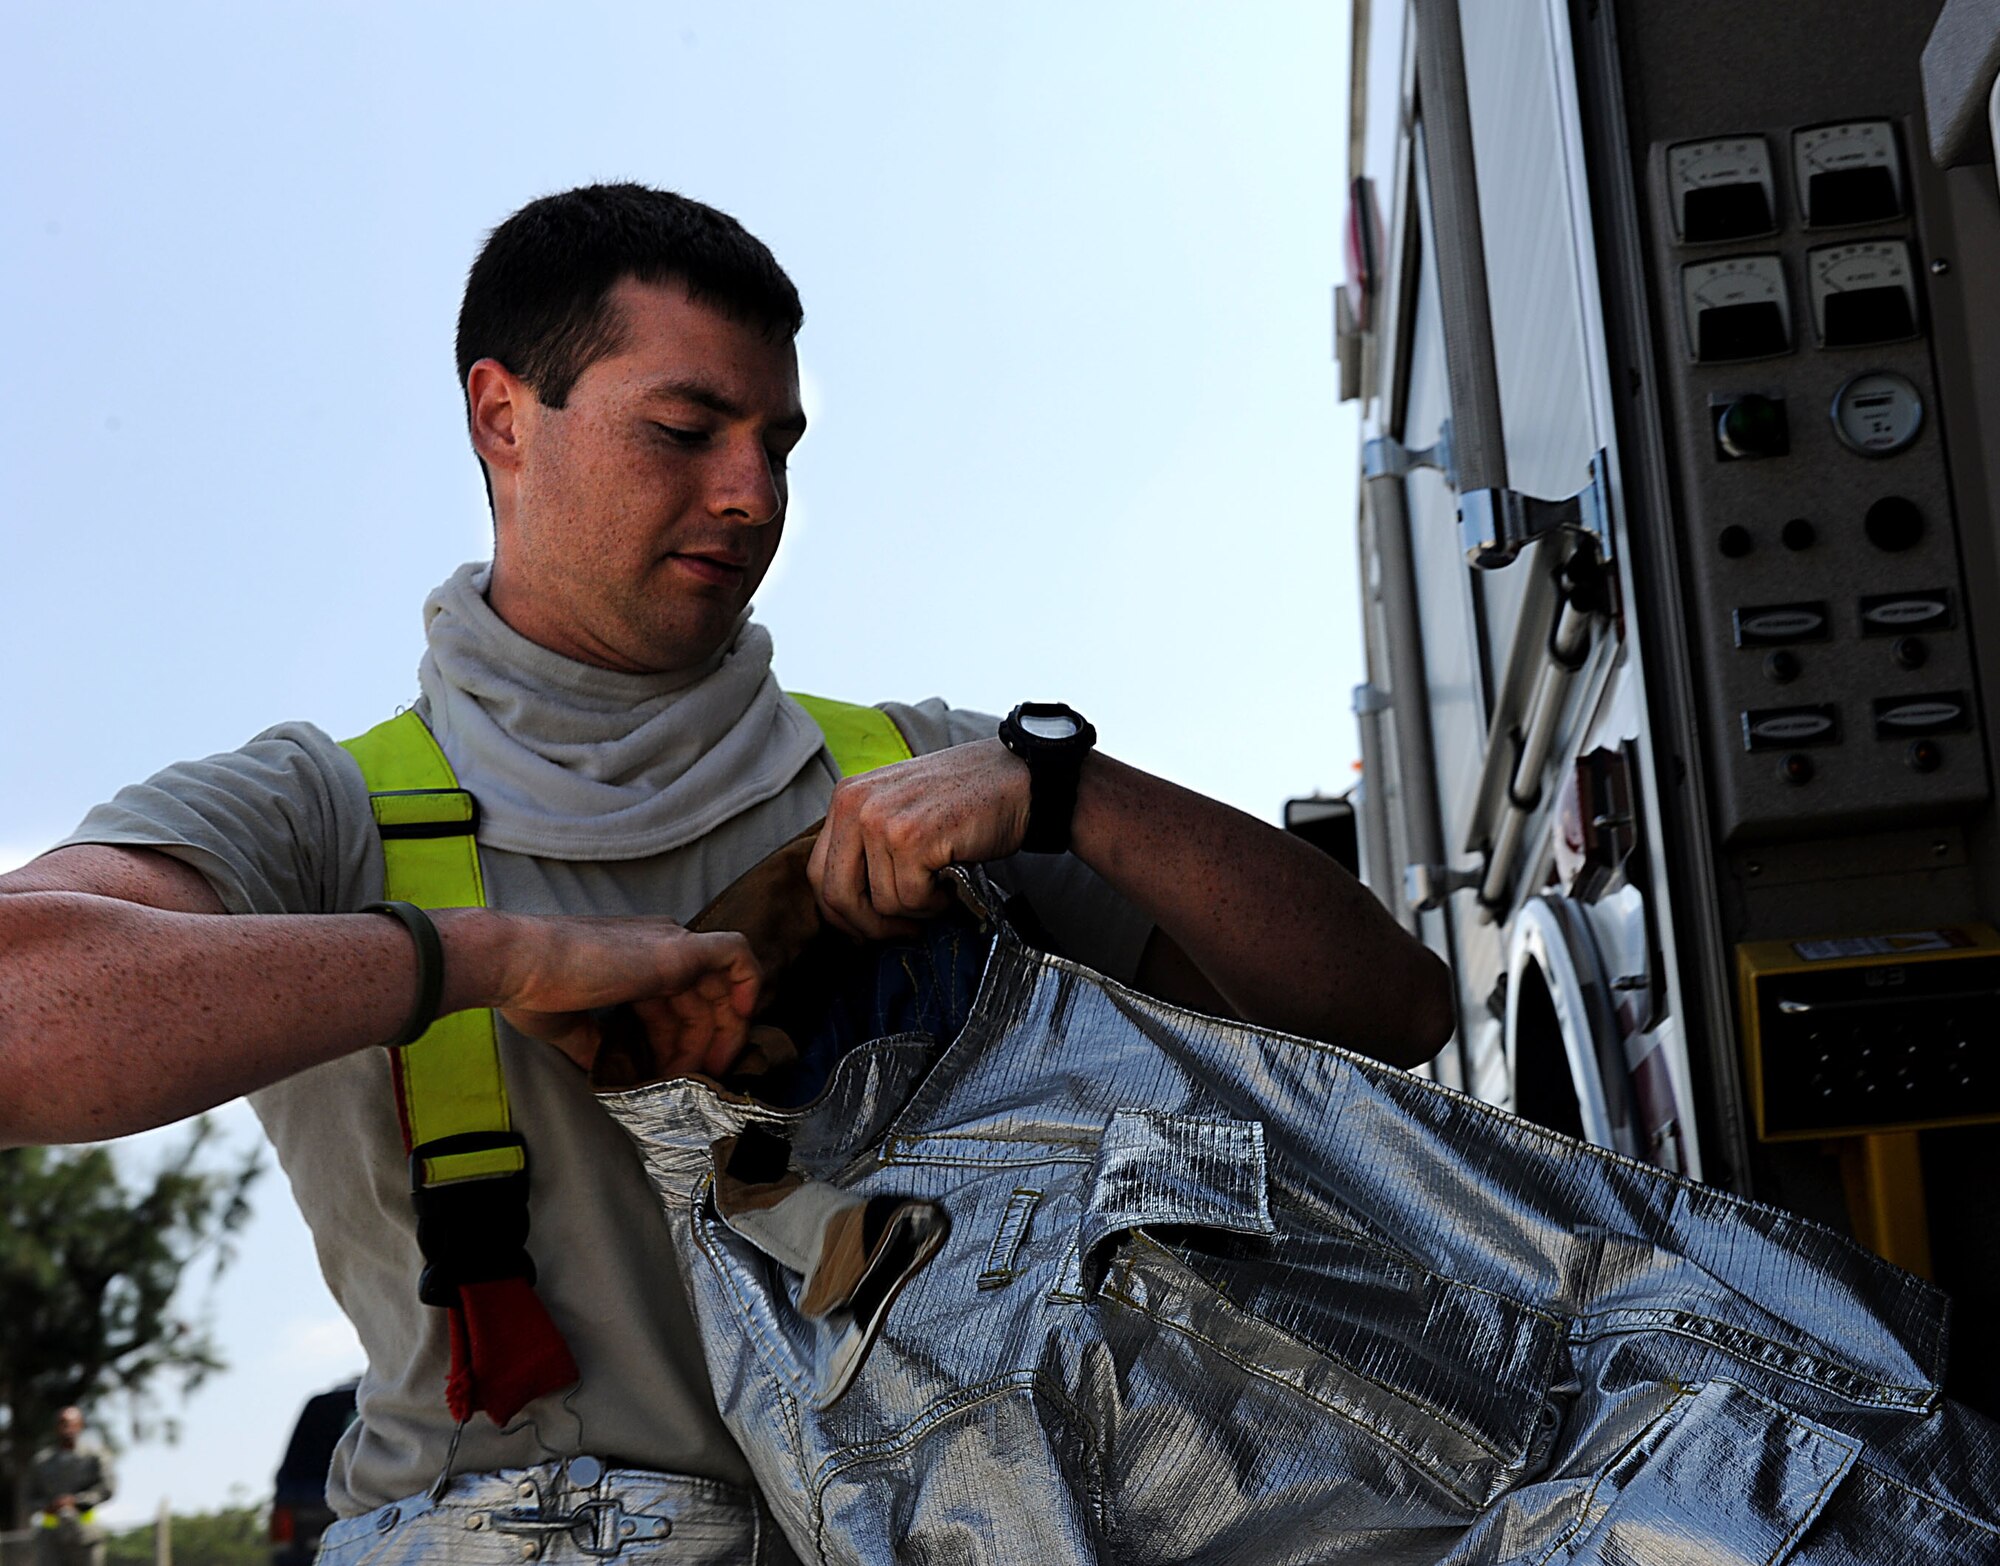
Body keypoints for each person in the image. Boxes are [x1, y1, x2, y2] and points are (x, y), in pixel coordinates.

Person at [0, 184, 1452, 1559]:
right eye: (685, 430)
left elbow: (1390, 1014)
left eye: (779, 445)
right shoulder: (319, 816)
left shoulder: (927, 776)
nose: (752, 494)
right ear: (502, 417)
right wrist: (488, 957)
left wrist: (1072, 789)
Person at [28, 1408, 114, 1566]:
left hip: (85, 1537)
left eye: (72, 1424)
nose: (67, 1429)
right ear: (56, 1428)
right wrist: (48, 1506)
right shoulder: (42, 1461)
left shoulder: (95, 1456)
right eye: (63, 1424)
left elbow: (107, 1488)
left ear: (81, 1425)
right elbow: (30, 1497)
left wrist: (77, 1501)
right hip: (51, 1541)